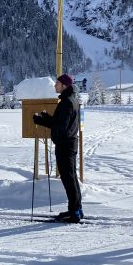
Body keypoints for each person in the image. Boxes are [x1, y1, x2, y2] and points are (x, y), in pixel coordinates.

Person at [33, 74, 83, 223]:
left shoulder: (67, 102)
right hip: (69, 143)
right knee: (71, 177)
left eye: (57, 83)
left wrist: (43, 121)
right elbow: (60, 123)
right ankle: (77, 209)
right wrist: (45, 119)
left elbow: (60, 127)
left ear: (65, 85)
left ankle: (74, 213)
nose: (55, 86)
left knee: (69, 179)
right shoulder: (70, 100)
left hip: (65, 145)